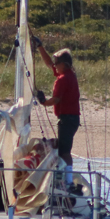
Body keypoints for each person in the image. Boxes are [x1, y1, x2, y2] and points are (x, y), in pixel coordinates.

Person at [32, 36, 81, 191]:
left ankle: (67, 182)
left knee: (64, 151)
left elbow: (56, 99)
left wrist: (43, 102)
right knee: (64, 149)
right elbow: (48, 63)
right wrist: (40, 47)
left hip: (67, 119)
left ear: (64, 64)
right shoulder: (67, 74)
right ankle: (66, 179)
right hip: (71, 119)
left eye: (57, 63)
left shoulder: (63, 79)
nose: (54, 65)